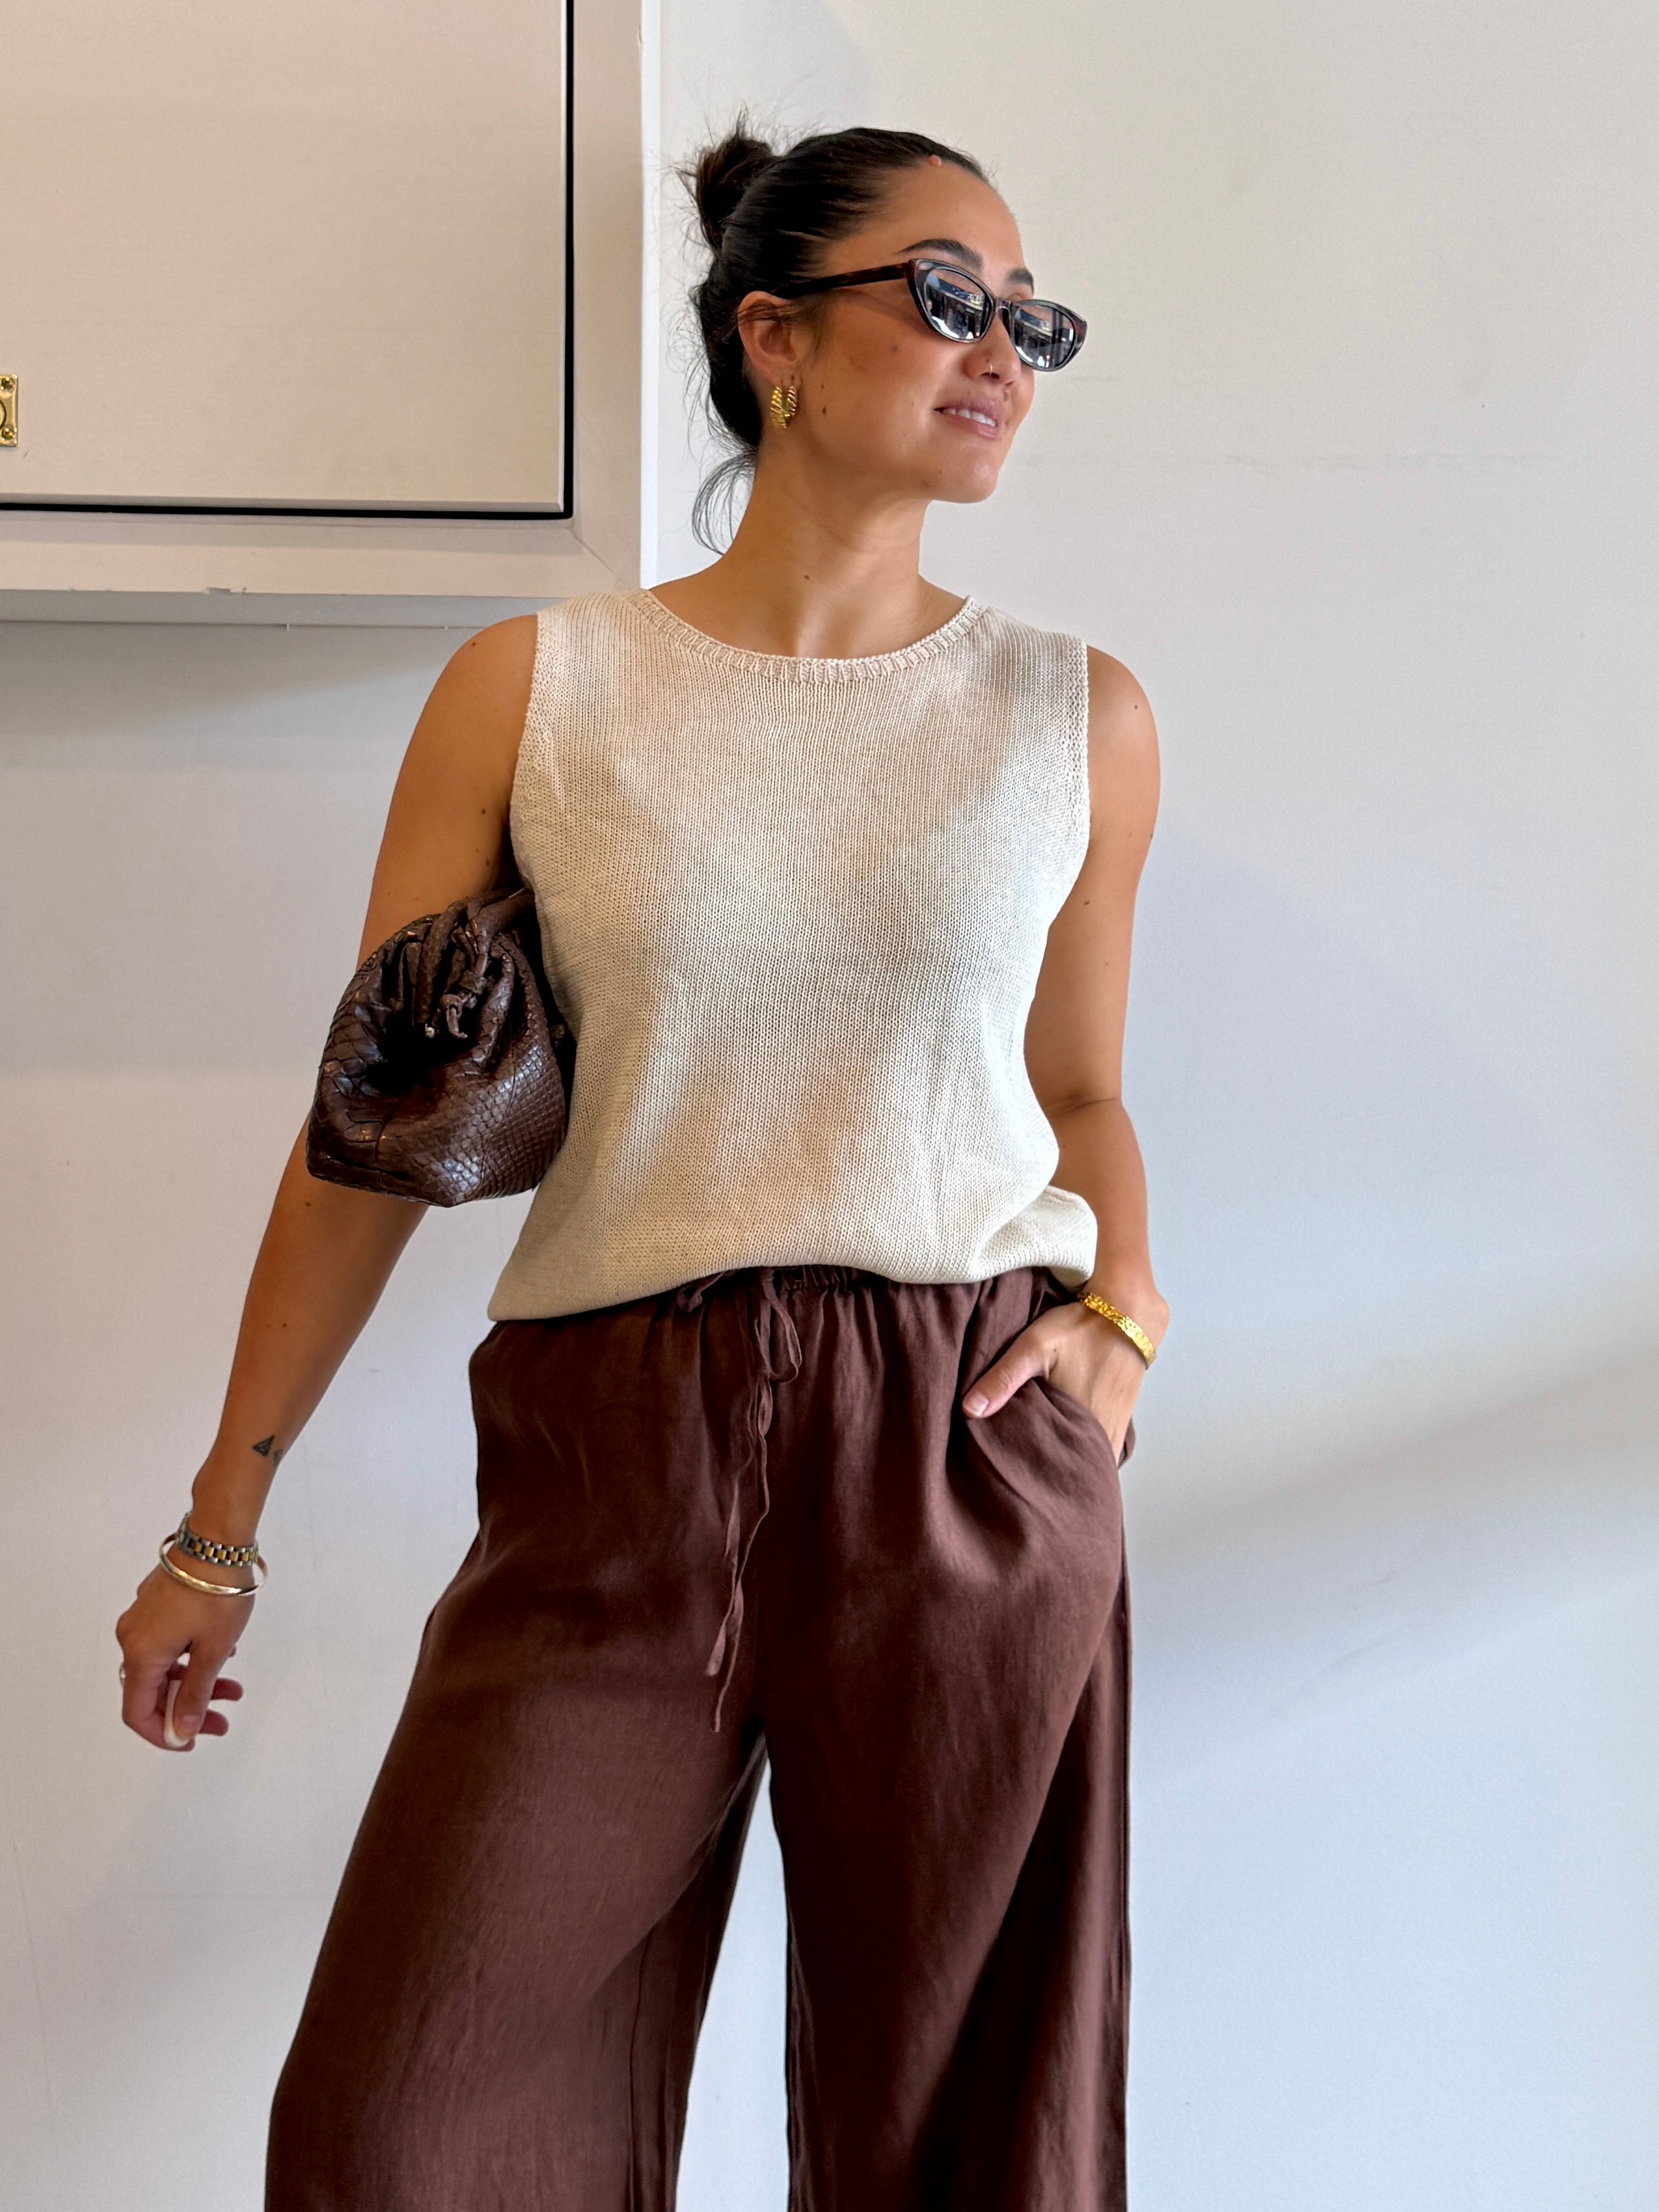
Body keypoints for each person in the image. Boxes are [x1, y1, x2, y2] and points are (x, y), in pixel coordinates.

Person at [114, 116, 1166, 2211]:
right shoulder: (537, 688)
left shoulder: (1074, 712)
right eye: (949, 300)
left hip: (958, 1440)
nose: (1001, 356)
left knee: (972, 2145)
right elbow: (371, 1134)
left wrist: (1121, 1319)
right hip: (613, 1447)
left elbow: (1078, 1094)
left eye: (1031, 320)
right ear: (774, 337)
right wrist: (223, 1513)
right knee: (406, 2133)